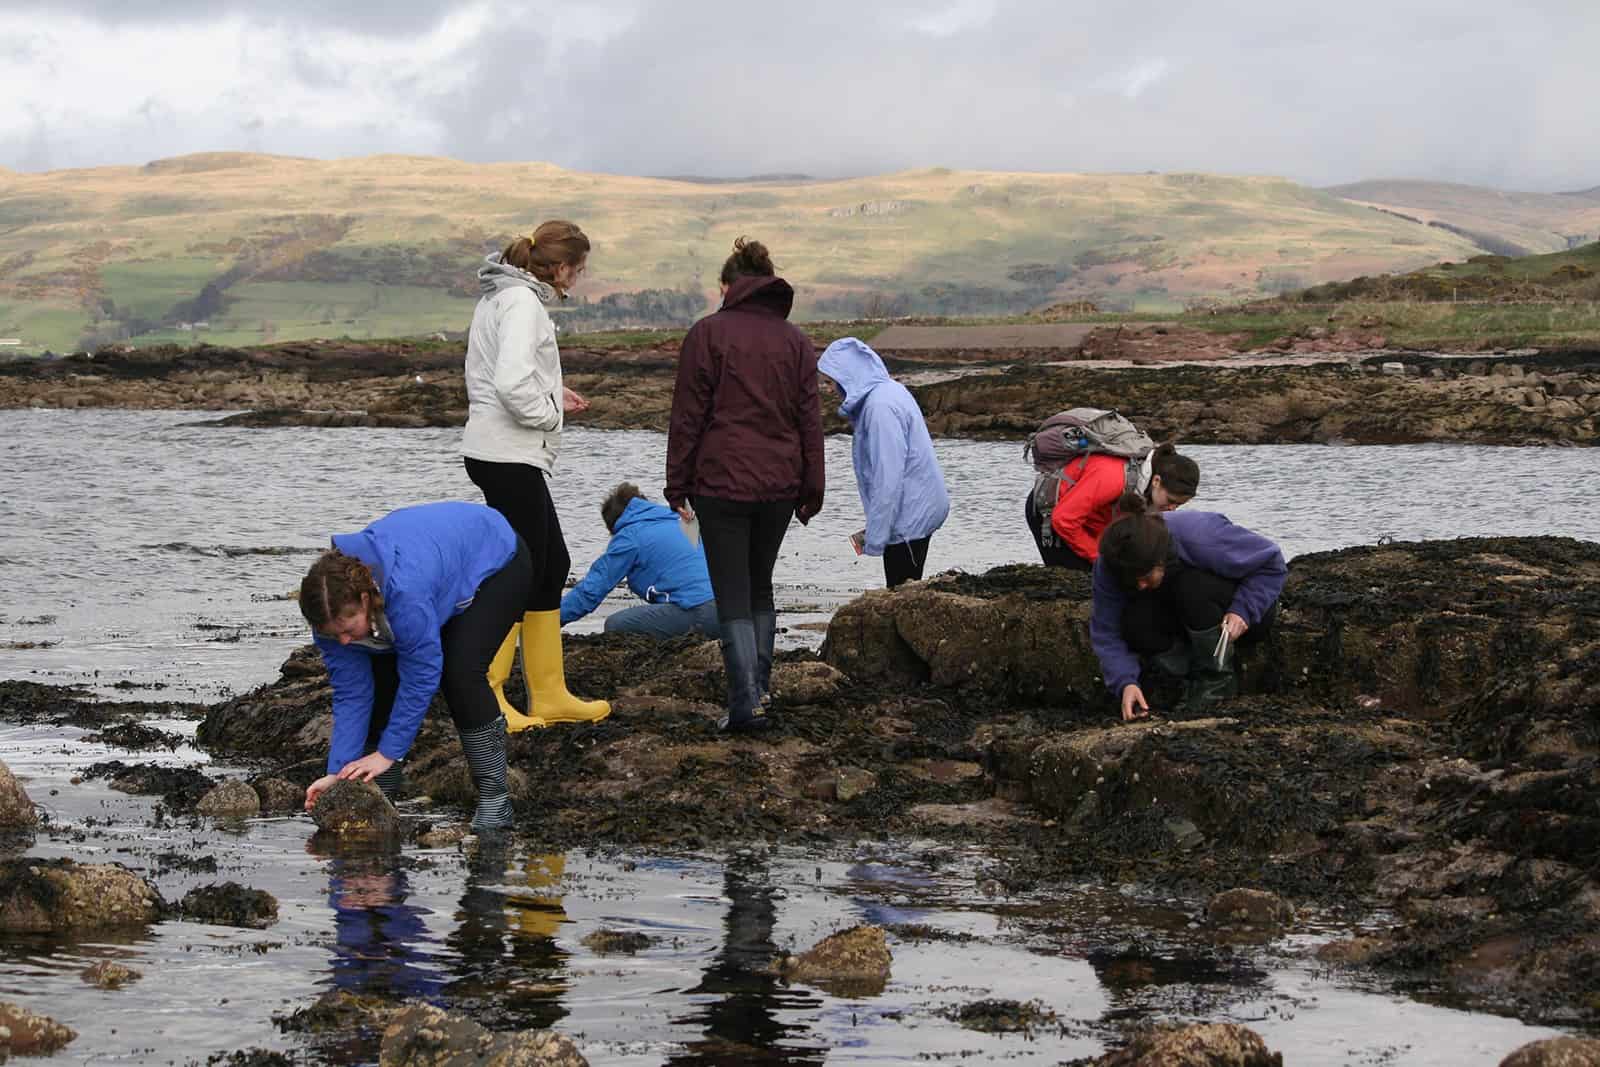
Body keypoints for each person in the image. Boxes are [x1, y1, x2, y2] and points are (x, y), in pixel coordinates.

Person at [666, 237, 825, 733]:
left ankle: (745, 701)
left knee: (731, 588)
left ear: (727, 286)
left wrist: (677, 485)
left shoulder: (707, 334)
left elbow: (688, 417)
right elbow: (810, 420)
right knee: (760, 583)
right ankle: (762, 691)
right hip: (781, 482)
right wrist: (811, 487)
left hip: (722, 482)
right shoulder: (795, 340)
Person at [462, 219, 609, 733]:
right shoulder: (523, 303)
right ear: (561, 266)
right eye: (580, 269)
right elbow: (508, 384)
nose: (579, 278)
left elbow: (499, 374)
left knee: (551, 563)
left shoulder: (503, 296)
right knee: (519, 572)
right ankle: (487, 691)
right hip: (506, 453)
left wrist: (554, 395)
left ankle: (549, 694)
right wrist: (549, 415)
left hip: (500, 449)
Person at [298, 502, 527, 831]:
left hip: (495, 558)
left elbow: (422, 677)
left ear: (364, 601)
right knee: (380, 674)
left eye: (348, 630)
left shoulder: (406, 595)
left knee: (459, 672)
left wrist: (389, 752)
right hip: (435, 564)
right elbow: (353, 693)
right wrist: (338, 773)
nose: (343, 641)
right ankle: (381, 791)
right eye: (334, 635)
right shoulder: (330, 616)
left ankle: (495, 799)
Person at [1090, 493, 1286, 722]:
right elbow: (1107, 629)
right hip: (1183, 617)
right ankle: (1185, 678)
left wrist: (1243, 609)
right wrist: (1125, 682)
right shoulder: (1110, 563)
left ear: (1160, 560)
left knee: (1192, 587)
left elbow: (1272, 563)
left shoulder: (1198, 534)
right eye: (1130, 579)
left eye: (1144, 576)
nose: (1139, 585)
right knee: (1133, 619)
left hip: (1241, 615)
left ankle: (1216, 683)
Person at [817, 336, 950, 588]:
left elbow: (887, 478)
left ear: (849, 375)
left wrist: (876, 538)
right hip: (917, 508)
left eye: (831, 381)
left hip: (910, 518)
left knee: (901, 593)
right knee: (907, 592)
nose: (830, 389)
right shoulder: (887, 392)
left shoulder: (880, 408)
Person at [560, 482, 719, 638]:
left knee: (615, 624)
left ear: (614, 526)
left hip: (702, 613)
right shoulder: (682, 521)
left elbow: (590, 591)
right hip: (733, 608)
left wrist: (551, 619)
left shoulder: (629, 537)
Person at [1027, 442, 1199, 570]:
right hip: (1048, 510)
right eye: (1171, 501)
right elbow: (1063, 519)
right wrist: (1098, 557)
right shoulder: (1113, 478)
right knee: (1080, 575)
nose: (1172, 509)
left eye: (1179, 505)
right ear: (1156, 481)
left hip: (1088, 515)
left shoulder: (1144, 477)